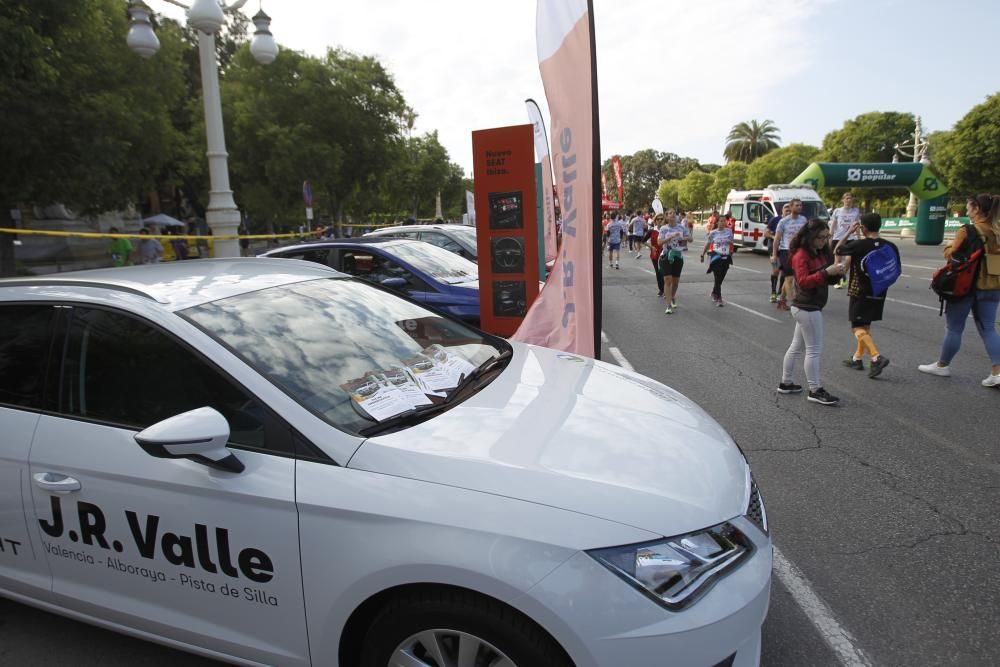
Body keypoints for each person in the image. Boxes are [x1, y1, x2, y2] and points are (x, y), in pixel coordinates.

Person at [918, 193, 1000, 387]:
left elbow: (952, 254)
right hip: (993, 286)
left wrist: (947, 247)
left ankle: (942, 365)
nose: (966, 209)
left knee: (954, 328)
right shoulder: (997, 231)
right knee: (988, 328)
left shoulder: (969, 230)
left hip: (966, 286)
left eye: (969, 206)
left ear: (977, 209)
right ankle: (997, 371)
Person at [777, 218, 846, 405]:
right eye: (820, 237)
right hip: (806, 306)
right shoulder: (801, 255)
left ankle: (786, 382)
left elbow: (825, 279)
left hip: (809, 306)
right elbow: (805, 281)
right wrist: (826, 273)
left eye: (826, 237)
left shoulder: (821, 252)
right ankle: (815, 390)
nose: (824, 241)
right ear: (810, 237)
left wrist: (837, 273)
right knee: (813, 350)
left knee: (796, 346)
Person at [835, 213, 898, 378]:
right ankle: (857, 358)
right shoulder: (890, 245)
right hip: (879, 290)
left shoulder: (859, 245)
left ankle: (876, 357)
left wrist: (849, 232)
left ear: (863, 228)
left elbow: (838, 249)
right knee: (866, 326)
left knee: (857, 327)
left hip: (860, 291)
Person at [771, 198, 809, 311]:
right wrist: (774, 255)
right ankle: (794, 303)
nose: (799, 207)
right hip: (786, 251)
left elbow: (806, 236)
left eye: (800, 205)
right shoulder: (783, 221)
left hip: (799, 252)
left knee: (792, 278)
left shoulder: (803, 220)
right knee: (790, 278)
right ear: (791, 207)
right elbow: (777, 239)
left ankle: (782, 300)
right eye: (797, 205)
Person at [658, 210, 688, 313]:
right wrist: (670, 237)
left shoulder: (681, 227)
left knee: (675, 282)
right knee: (667, 279)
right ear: (666, 217)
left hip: (678, 256)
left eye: (674, 213)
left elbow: (690, 238)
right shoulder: (663, 228)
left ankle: (672, 296)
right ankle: (668, 305)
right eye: (670, 213)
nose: (672, 214)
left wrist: (682, 237)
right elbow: (659, 242)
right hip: (666, 255)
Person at [829, 193, 861, 288]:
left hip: (850, 238)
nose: (848, 200)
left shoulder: (855, 211)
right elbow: (833, 224)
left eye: (850, 198)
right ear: (843, 200)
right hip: (838, 238)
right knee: (837, 261)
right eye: (846, 198)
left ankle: (843, 275)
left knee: (849, 259)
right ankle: (836, 280)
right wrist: (830, 236)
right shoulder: (837, 211)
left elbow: (857, 225)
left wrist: (859, 237)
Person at [703, 218, 734, 306]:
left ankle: (714, 292)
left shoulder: (729, 231)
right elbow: (708, 243)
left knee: (721, 277)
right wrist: (703, 254)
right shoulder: (713, 233)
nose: (723, 222)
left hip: (726, 256)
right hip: (716, 256)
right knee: (717, 276)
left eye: (724, 221)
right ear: (717, 223)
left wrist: (731, 251)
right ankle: (719, 298)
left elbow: (731, 243)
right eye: (721, 221)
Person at [764, 204, 791, 302]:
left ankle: (781, 292)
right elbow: (766, 233)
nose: (788, 212)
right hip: (774, 248)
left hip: (787, 249)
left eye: (789, 210)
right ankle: (773, 292)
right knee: (776, 271)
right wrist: (774, 237)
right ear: (782, 211)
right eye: (786, 210)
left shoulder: (792, 222)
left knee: (784, 271)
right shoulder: (775, 220)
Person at [647, 213, 665, 297]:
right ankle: (661, 289)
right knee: (659, 273)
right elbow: (643, 241)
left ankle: (666, 289)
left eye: (662, 219)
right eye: (658, 219)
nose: (660, 221)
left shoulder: (667, 229)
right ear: (655, 220)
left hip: (665, 254)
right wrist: (651, 247)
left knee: (666, 273)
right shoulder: (651, 230)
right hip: (655, 255)